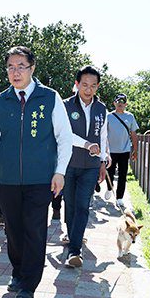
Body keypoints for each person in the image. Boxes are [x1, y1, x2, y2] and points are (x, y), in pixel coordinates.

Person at [0, 46, 73, 298]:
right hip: (8, 178)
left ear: (32, 69)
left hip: (40, 178)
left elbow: (63, 138)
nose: (15, 71)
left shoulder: (49, 97)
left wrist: (60, 172)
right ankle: (18, 273)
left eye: (21, 66)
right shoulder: (1, 101)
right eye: (11, 66)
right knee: (14, 231)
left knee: (34, 230)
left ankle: (29, 285)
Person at [62, 65, 109, 268]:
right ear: (77, 84)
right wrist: (86, 144)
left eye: (93, 86)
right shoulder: (65, 106)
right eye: (84, 85)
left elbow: (103, 136)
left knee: (82, 206)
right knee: (70, 205)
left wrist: (103, 160)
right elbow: (63, 134)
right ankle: (74, 236)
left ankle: (75, 250)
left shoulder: (101, 109)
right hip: (68, 163)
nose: (88, 90)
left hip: (90, 166)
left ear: (97, 87)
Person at [107, 93, 139, 207]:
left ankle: (120, 197)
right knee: (109, 172)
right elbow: (103, 134)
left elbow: (134, 134)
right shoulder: (108, 116)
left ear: (126, 104)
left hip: (124, 150)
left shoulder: (130, 117)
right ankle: (109, 188)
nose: (120, 105)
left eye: (122, 103)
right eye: (118, 102)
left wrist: (135, 150)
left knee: (122, 174)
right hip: (110, 151)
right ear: (114, 103)